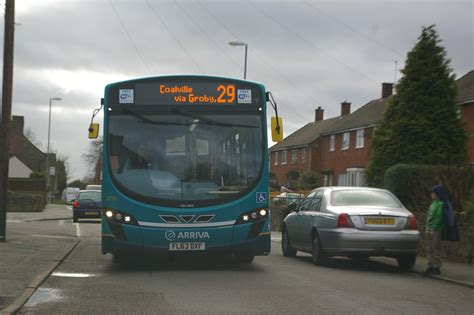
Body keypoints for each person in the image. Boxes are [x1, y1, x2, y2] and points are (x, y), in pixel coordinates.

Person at [424, 185, 445, 275]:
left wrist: (434, 228)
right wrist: (427, 228)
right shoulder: (432, 204)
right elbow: (429, 217)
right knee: (429, 248)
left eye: (433, 193)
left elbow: (439, 217)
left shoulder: (441, 204)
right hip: (429, 228)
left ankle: (437, 266)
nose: (431, 194)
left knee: (436, 248)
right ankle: (430, 265)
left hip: (436, 230)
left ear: (438, 194)